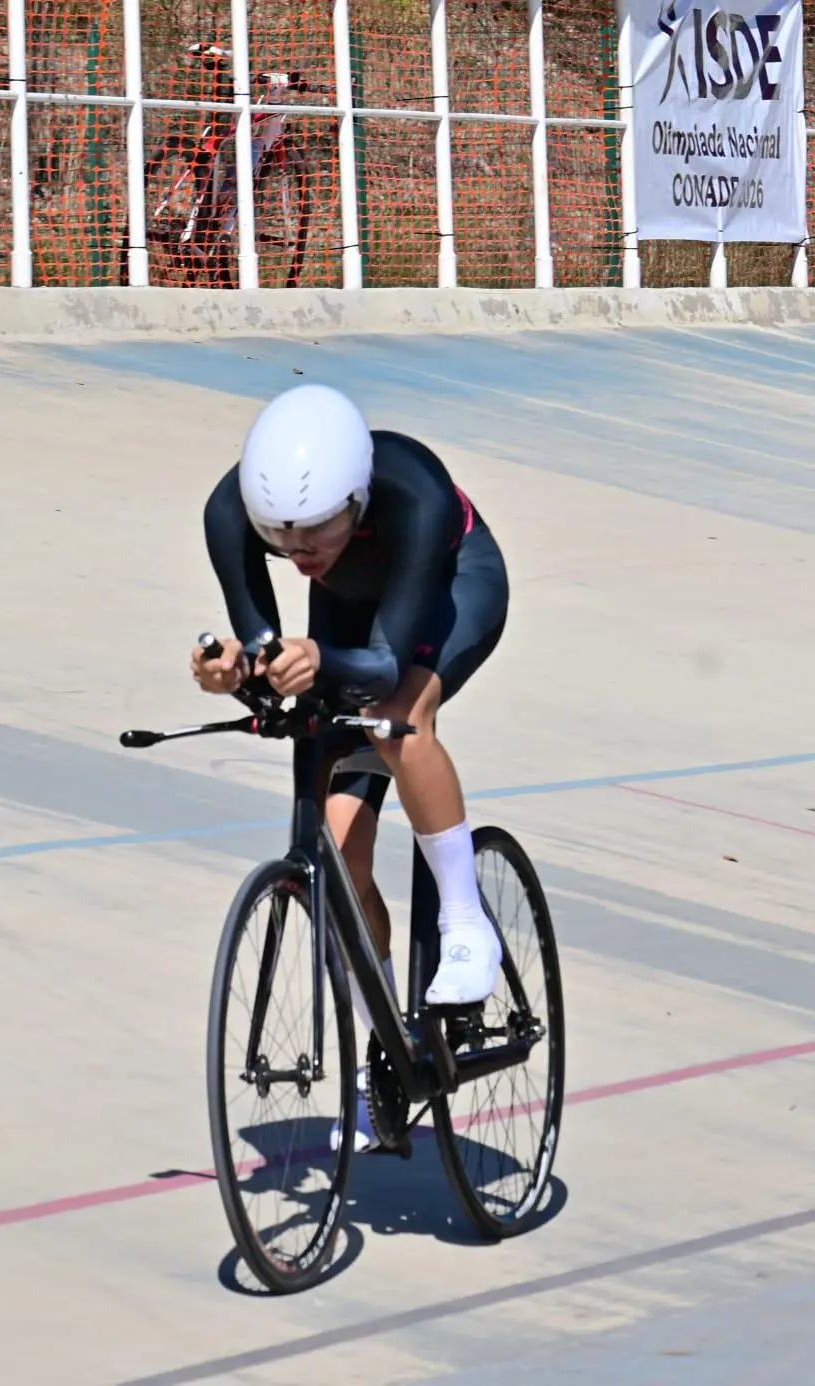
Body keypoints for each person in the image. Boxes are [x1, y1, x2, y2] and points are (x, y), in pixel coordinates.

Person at [192, 383, 508, 1150]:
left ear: (357, 499)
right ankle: (384, 1054)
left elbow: (383, 658)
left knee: (398, 722)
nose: (298, 552)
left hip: (443, 593)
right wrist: (236, 667)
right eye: (281, 536)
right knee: (338, 852)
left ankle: (466, 926)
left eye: (316, 533)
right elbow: (264, 644)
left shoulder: (415, 492)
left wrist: (317, 660)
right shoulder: (229, 515)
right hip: (343, 621)